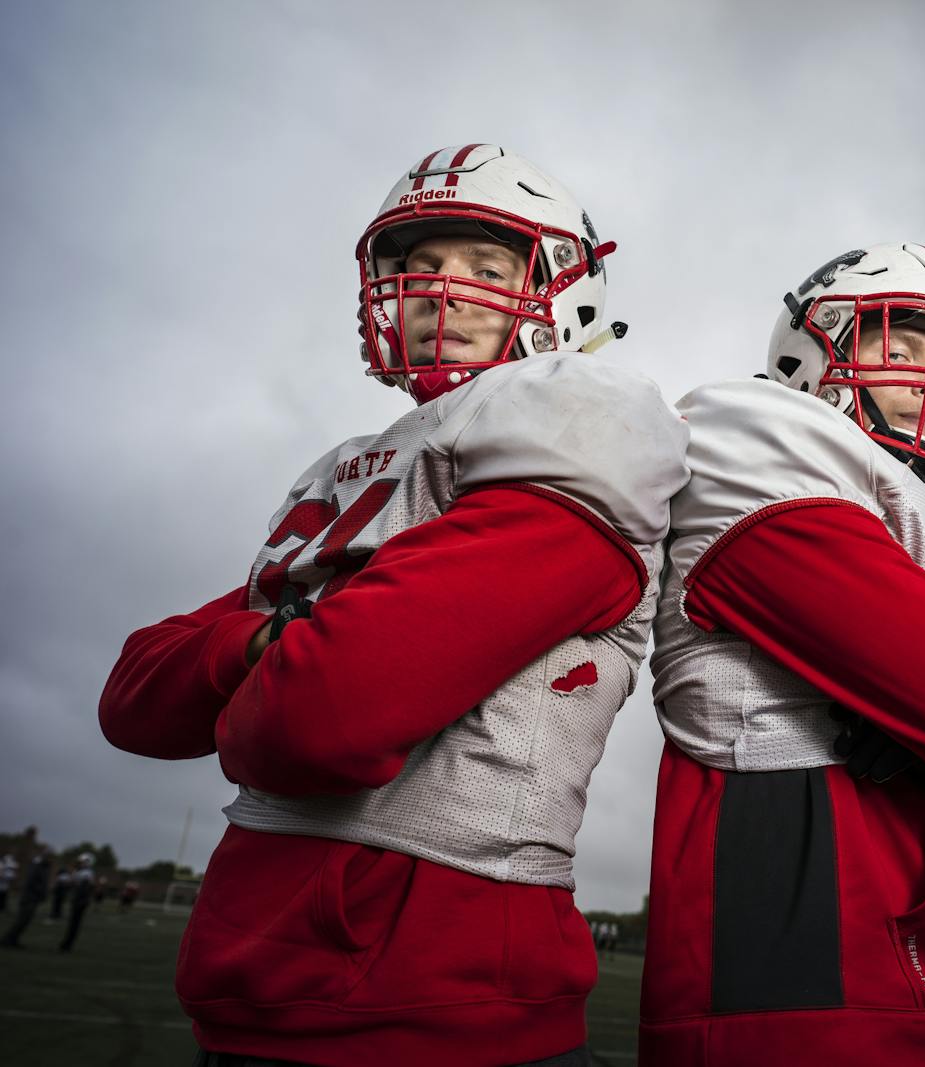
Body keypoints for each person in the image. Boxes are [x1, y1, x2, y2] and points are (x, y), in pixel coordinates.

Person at [99, 143, 689, 1067]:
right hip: (257, 973)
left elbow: (318, 717)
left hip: (441, 984)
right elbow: (134, 699)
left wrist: (272, 645)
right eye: (418, 266)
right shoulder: (359, 459)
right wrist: (270, 643)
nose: (438, 290)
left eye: (486, 268)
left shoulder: (585, 411)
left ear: (563, 291)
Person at [639, 243, 925, 1066]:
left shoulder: (918, 522)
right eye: (904, 348)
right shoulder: (758, 426)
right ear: (811, 350)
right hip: (813, 971)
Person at [0, 850, 51, 948]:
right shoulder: (36, 866)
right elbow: (31, 881)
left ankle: (13, 939)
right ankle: (7, 940)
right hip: (29, 897)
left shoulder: (41, 866)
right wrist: (40, 892)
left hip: (32, 897)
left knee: (25, 920)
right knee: (22, 920)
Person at [58, 853, 95, 953]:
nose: (80, 863)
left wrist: (68, 878)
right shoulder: (84, 872)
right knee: (73, 924)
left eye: (82, 862)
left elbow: (73, 883)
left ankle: (67, 945)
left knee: (74, 924)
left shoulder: (86, 873)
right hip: (79, 900)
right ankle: (67, 944)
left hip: (80, 901)